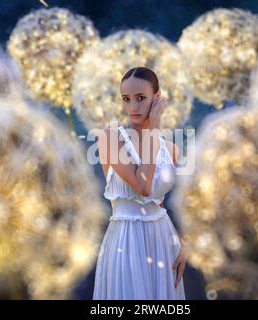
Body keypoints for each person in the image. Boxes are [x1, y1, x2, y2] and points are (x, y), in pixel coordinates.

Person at [92, 66, 187, 300]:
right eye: (127, 99)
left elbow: (159, 203)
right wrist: (154, 126)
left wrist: (182, 243)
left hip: (164, 241)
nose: (133, 107)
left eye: (141, 98)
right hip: (127, 240)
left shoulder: (171, 150)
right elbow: (143, 187)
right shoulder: (109, 138)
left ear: (157, 98)